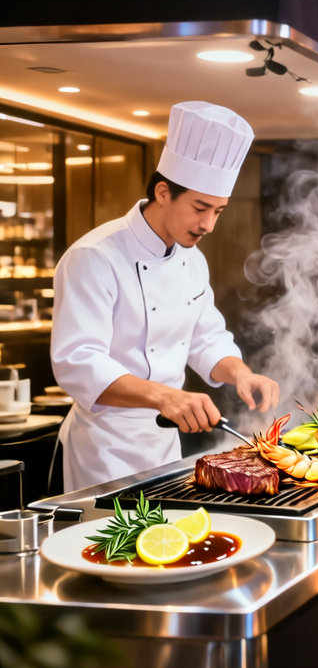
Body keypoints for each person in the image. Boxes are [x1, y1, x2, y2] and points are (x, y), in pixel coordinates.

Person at [51, 101, 280, 490]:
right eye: (200, 208)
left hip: (163, 446)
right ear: (163, 191)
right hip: (103, 450)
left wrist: (240, 372)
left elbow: (206, 338)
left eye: (219, 211)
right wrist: (166, 397)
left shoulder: (192, 260)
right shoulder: (95, 256)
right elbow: (78, 362)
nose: (208, 224)